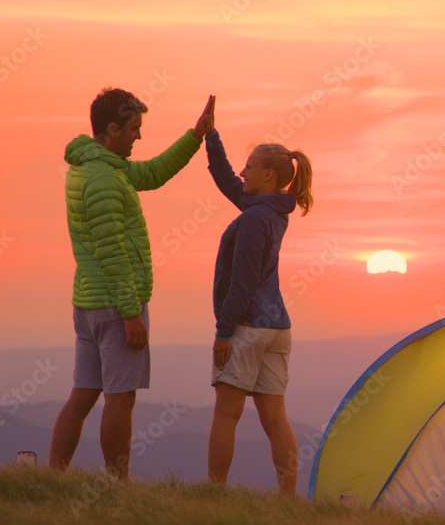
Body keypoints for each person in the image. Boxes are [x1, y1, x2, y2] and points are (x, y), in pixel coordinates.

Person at [49, 88, 214, 478]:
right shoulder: (105, 180)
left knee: (83, 394)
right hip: (116, 306)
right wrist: (130, 313)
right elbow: (112, 251)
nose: (138, 136)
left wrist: (195, 136)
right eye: (133, 128)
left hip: (88, 302)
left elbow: (153, 173)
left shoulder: (94, 166)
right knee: (120, 400)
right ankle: (117, 485)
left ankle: (51, 476)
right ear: (112, 129)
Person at [204, 98, 313, 494]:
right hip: (276, 327)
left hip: (247, 326)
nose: (242, 170)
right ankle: (288, 498)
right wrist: (210, 137)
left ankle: (214, 493)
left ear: (267, 175)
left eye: (249, 165)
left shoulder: (253, 219)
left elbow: (243, 283)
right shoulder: (271, 210)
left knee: (227, 414)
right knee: (275, 419)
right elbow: (230, 182)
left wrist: (224, 332)